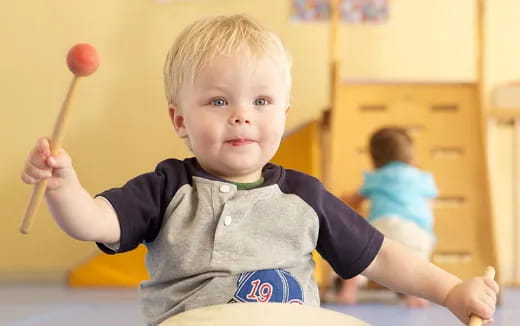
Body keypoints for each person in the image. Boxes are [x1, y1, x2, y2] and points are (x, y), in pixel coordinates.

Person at [21, 14, 498, 326]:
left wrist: (451, 291)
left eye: (262, 100)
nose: (242, 114)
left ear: (284, 112)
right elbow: (94, 221)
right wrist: (64, 186)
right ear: (179, 119)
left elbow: (381, 257)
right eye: (218, 100)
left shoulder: (305, 197)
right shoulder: (166, 189)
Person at [338, 127, 438, 308]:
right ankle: (416, 296)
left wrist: (347, 200)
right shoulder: (423, 177)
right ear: (411, 155)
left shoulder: (375, 178)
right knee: (417, 263)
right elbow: (430, 204)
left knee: (363, 256)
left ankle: (351, 288)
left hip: (381, 225)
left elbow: (355, 199)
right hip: (414, 230)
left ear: (375, 158)